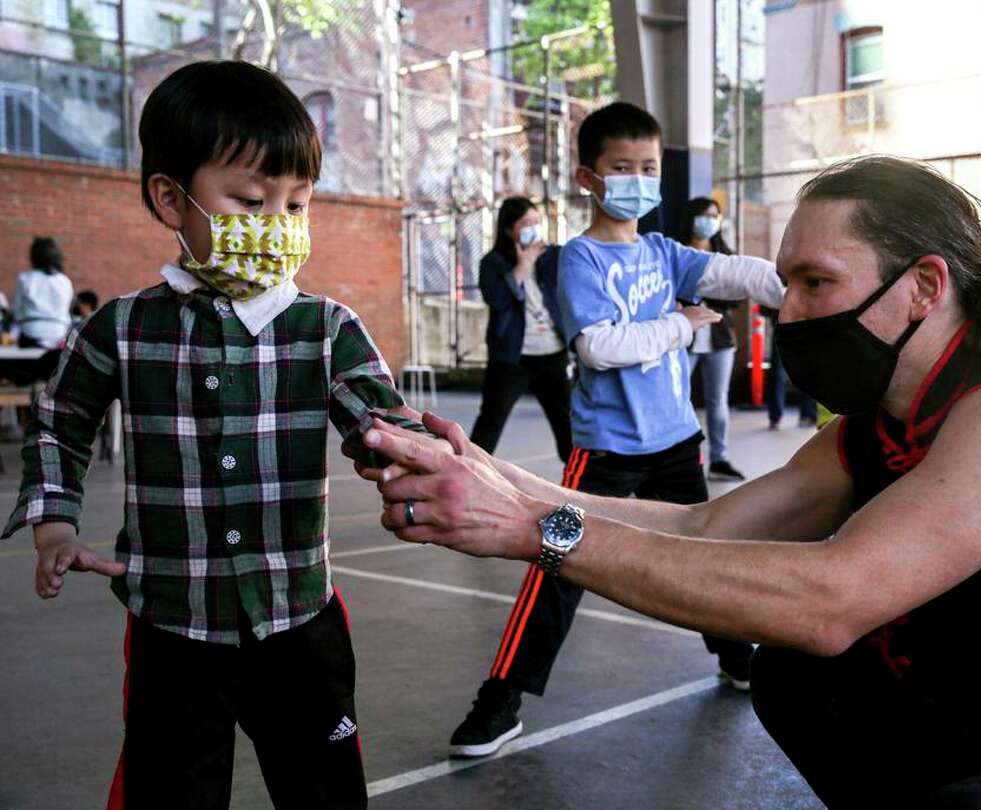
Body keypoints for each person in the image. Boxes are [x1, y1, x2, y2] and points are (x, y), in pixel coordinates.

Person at [356, 155, 981, 808]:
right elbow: (701, 530)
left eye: (817, 283)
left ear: (925, 286)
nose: (786, 310)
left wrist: (533, 531)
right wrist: (488, 475)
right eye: (785, 282)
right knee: (803, 680)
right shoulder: (875, 429)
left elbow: (832, 597)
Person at [1, 61, 436, 809]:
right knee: (169, 791)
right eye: (250, 200)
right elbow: (59, 424)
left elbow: (379, 415)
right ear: (171, 199)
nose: (279, 225)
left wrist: (398, 453)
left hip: (297, 617)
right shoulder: (124, 328)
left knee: (325, 789)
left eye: (297, 204)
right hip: (172, 622)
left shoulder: (325, 328)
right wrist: (55, 524)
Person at [443, 101, 784, 759]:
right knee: (556, 562)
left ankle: (736, 656)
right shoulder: (577, 261)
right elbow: (600, 346)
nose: (638, 178)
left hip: (677, 441)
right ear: (588, 177)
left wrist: (792, 284)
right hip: (604, 451)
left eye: (649, 167)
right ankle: (501, 700)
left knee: (709, 553)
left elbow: (729, 273)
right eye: (621, 167)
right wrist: (684, 325)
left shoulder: (663, 250)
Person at [469, 197, 573, 463]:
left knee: (568, 427)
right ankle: (469, 471)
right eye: (525, 223)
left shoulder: (553, 256)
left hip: (553, 354)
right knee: (490, 422)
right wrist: (523, 265)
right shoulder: (492, 263)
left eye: (536, 222)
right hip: (512, 359)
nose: (533, 227)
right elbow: (498, 299)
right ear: (508, 229)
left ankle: (581, 485)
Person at [680, 196, 746, 479]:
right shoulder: (678, 251)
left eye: (714, 215)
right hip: (684, 336)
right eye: (704, 215)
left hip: (719, 338)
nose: (709, 221)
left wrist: (703, 291)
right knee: (679, 399)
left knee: (718, 400)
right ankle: (683, 459)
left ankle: (719, 458)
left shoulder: (724, 253)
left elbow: (737, 295)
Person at [761, 305, 818, 429]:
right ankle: (777, 417)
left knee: (807, 372)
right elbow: (764, 305)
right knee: (779, 374)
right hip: (788, 325)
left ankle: (806, 414)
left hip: (800, 325)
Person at [12, 236, 74, 350]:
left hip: (31, 332)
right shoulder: (65, 281)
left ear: (33, 257)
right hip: (59, 333)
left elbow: (16, 311)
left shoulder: (25, 279)